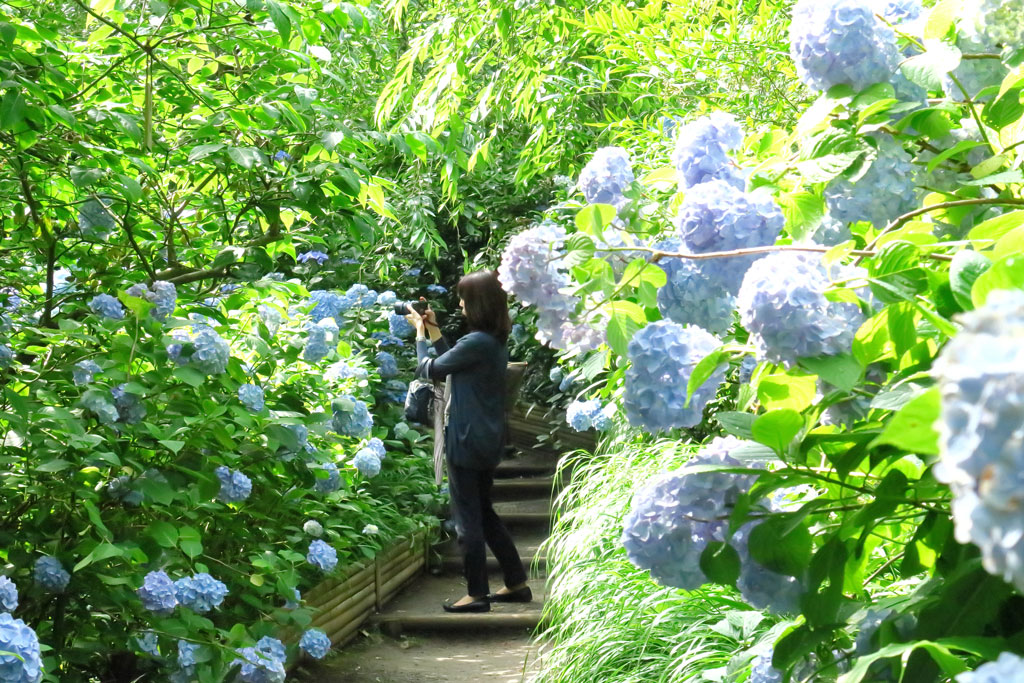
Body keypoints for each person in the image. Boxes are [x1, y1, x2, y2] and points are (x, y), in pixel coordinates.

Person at [406, 270, 531, 613]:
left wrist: (419, 336)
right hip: (485, 439)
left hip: (465, 439)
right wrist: (434, 331)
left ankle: (476, 594)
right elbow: (453, 363)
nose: (459, 303)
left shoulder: (476, 342)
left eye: (463, 298)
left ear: (477, 303)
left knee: (467, 521)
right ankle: (516, 582)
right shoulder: (490, 341)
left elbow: (429, 370)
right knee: (485, 514)